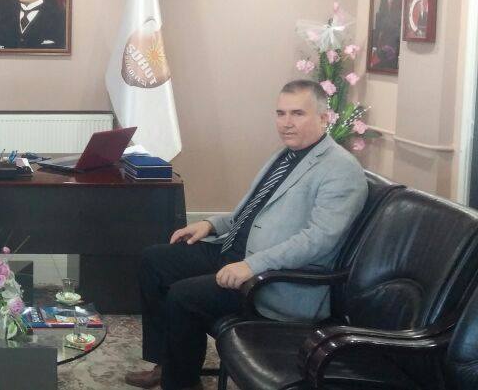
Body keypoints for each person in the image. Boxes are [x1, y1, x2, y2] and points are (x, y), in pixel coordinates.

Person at [124, 80, 367, 390]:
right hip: (233, 251)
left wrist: (252, 265)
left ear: (323, 117)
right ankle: (165, 363)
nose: (286, 123)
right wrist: (210, 224)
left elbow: (318, 240)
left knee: (183, 296)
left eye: (297, 113)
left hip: (271, 278)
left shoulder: (340, 169)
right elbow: (251, 212)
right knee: (154, 260)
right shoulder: (285, 155)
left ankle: (181, 383)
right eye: (280, 113)